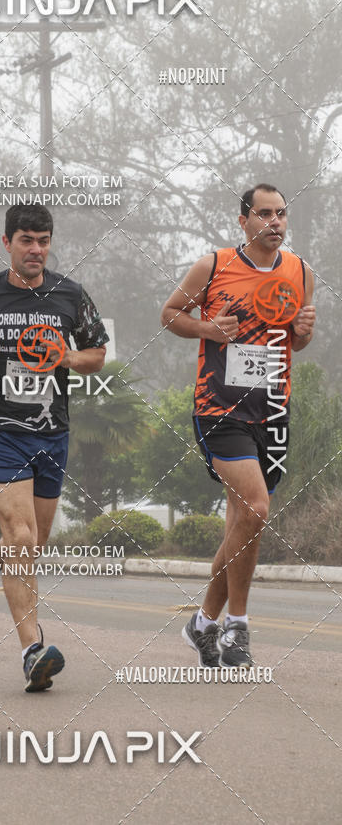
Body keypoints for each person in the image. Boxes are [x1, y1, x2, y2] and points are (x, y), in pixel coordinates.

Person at [0, 203, 109, 691]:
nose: (36, 249)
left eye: (43, 240)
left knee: (29, 545)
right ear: (6, 241)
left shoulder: (70, 295)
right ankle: (33, 650)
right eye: (26, 240)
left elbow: (97, 351)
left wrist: (70, 355)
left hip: (51, 432)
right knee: (22, 539)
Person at [161, 184, 315, 667]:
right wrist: (206, 328)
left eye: (281, 214)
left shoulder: (301, 271)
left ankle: (203, 622)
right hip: (219, 409)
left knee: (245, 521)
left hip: (272, 410)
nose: (275, 222)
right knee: (256, 506)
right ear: (244, 220)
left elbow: (294, 342)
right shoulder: (214, 265)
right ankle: (237, 628)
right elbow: (169, 315)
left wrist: (303, 334)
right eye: (264, 214)